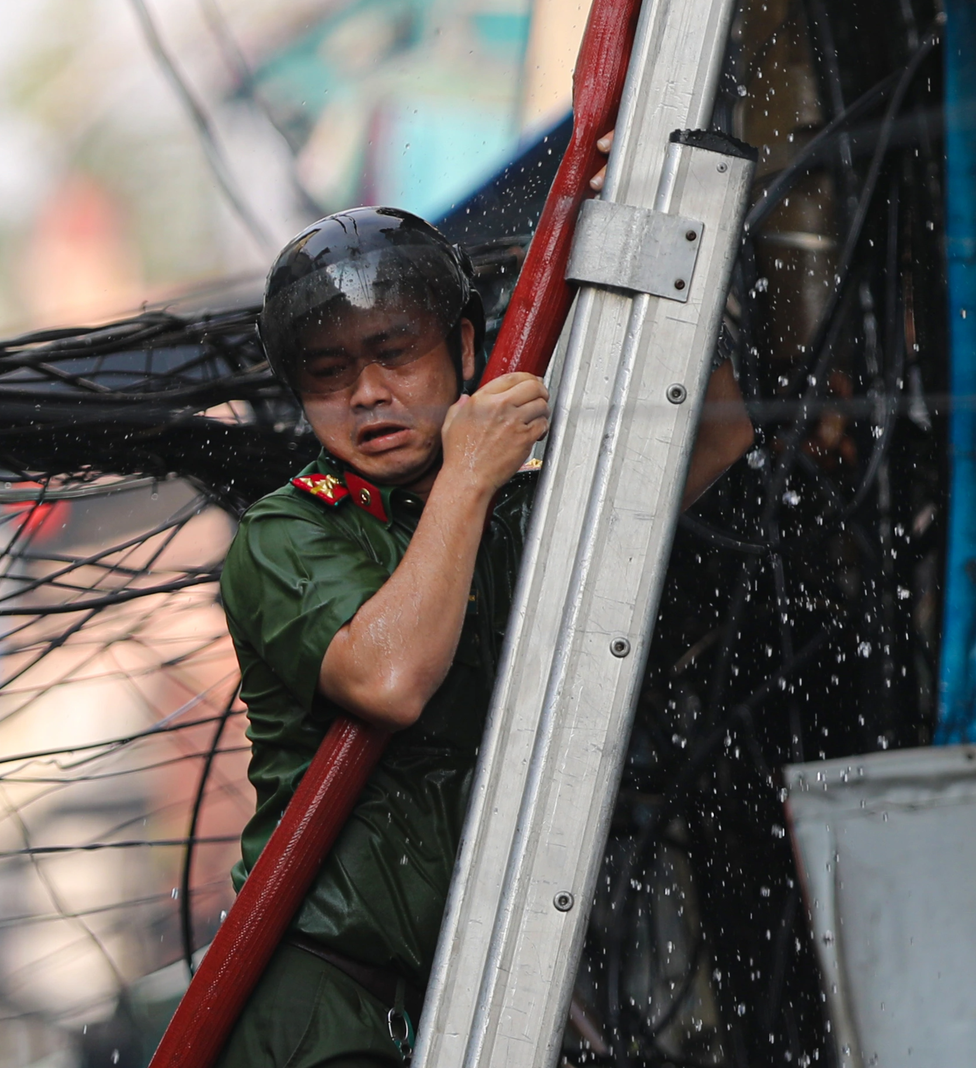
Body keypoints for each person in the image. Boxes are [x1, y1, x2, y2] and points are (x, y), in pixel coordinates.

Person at [216, 206, 753, 1066]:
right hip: (323, 1008)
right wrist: (470, 468)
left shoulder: (509, 516)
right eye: (328, 372)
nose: (366, 393)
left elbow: (721, 430)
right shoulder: (287, 534)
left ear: (465, 347)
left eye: (395, 353)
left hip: (464, 1000)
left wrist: (654, 212)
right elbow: (390, 677)